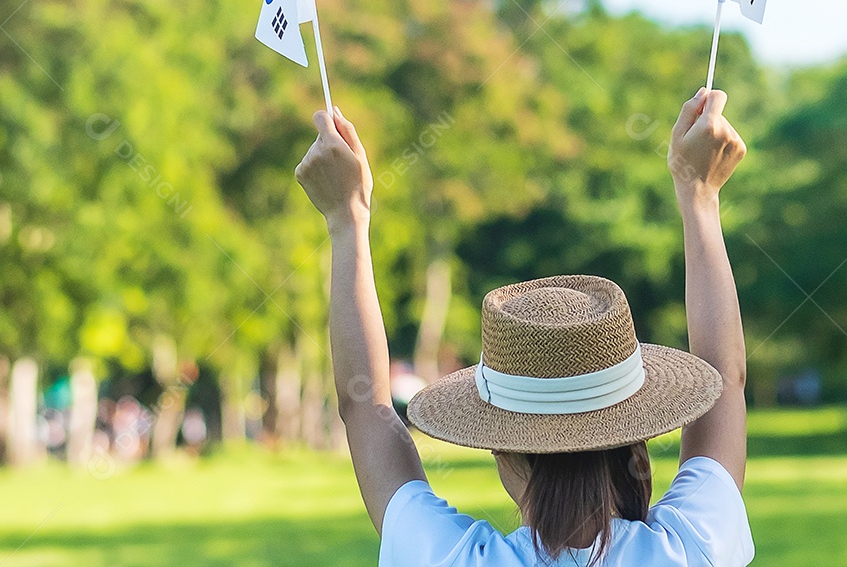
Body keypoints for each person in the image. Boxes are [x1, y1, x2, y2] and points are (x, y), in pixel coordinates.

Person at [295, 87, 753, 566]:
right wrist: (700, 194)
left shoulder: (457, 559)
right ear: (636, 443)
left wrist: (347, 219)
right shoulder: (694, 548)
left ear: (503, 454)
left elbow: (364, 406)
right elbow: (724, 375)